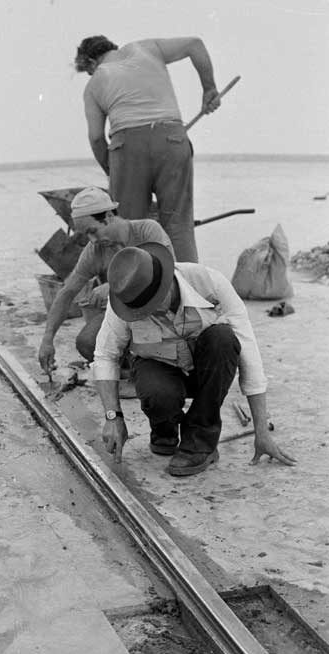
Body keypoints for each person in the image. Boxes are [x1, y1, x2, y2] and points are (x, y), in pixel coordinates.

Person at [93, 242, 296, 476]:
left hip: (204, 371)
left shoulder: (210, 283)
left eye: (151, 306)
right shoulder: (125, 299)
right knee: (157, 393)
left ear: (167, 283)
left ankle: (200, 441)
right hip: (158, 368)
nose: (147, 315)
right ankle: (164, 427)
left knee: (223, 339)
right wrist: (113, 416)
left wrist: (261, 430)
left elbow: (250, 357)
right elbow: (106, 356)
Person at [75, 35, 221, 263]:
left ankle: (134, 293)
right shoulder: (147, 48)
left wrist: (111, 171)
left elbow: (96, 138)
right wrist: (209, 88)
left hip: (128, 149)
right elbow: (195, 44)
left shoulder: (94, 84)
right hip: (172, 139)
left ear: (91, 63)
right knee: (179, 226)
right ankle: (190, 292)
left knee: (128, 229)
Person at [38, 186, 174, 375]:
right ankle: (132, 369)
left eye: (93, 231)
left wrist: (113, 287)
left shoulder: (147, 230)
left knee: (159, 343)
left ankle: (147, 367)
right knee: (86, 343)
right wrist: (47, 339)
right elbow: (67, 292)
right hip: (124, 316)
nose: (92, 240)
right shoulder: (95, 250)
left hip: (159, 310)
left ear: (109, 215)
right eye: (86, 235)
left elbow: (163, 273)